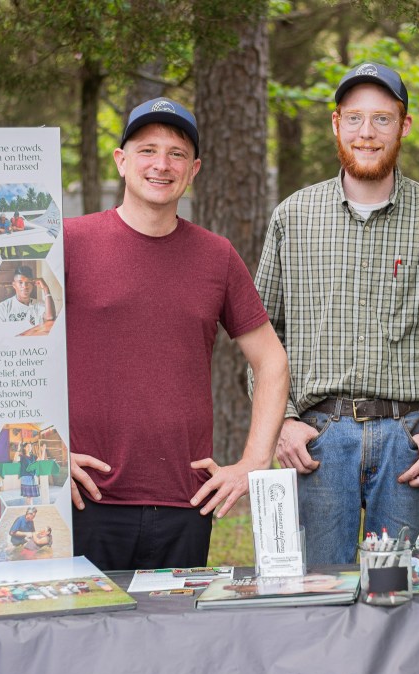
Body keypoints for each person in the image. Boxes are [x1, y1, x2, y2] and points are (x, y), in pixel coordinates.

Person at [64, 98, 289, 571]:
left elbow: (272, 361)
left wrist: (253, 462)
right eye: (147, 150)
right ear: (121, 161)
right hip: (84, 499)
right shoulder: (68, 243)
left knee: (177, 623)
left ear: (194, 170)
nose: (161, 165)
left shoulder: (217, 256)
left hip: (186, 504)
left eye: (177, 154)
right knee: (88, 623)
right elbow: (9, 354)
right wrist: (44, 457)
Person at [252, 63, 419, 566]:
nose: (367, 132)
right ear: (336, 123)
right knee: (320, 591)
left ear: (404, 126)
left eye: (382, 119)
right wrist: (283, 421)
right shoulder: (293, 217)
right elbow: (261, 337)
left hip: (409, 441)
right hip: (318, 441)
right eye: (355, 118)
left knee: (400, 591)